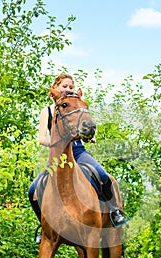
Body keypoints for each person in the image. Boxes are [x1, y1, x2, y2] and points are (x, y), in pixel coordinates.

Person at [28, 73, 128, 242]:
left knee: (103, 176)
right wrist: (60, 142)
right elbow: (42, 139)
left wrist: (89, 135)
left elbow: (84, 128)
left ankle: (114, 213)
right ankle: (44, 227)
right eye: (64, 86)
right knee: (33, 190)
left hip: (79, 153)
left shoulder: (75, 107)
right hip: (58, 157)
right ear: (56, 88)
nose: (68, 89)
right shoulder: (48, 111)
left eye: (71, 87)